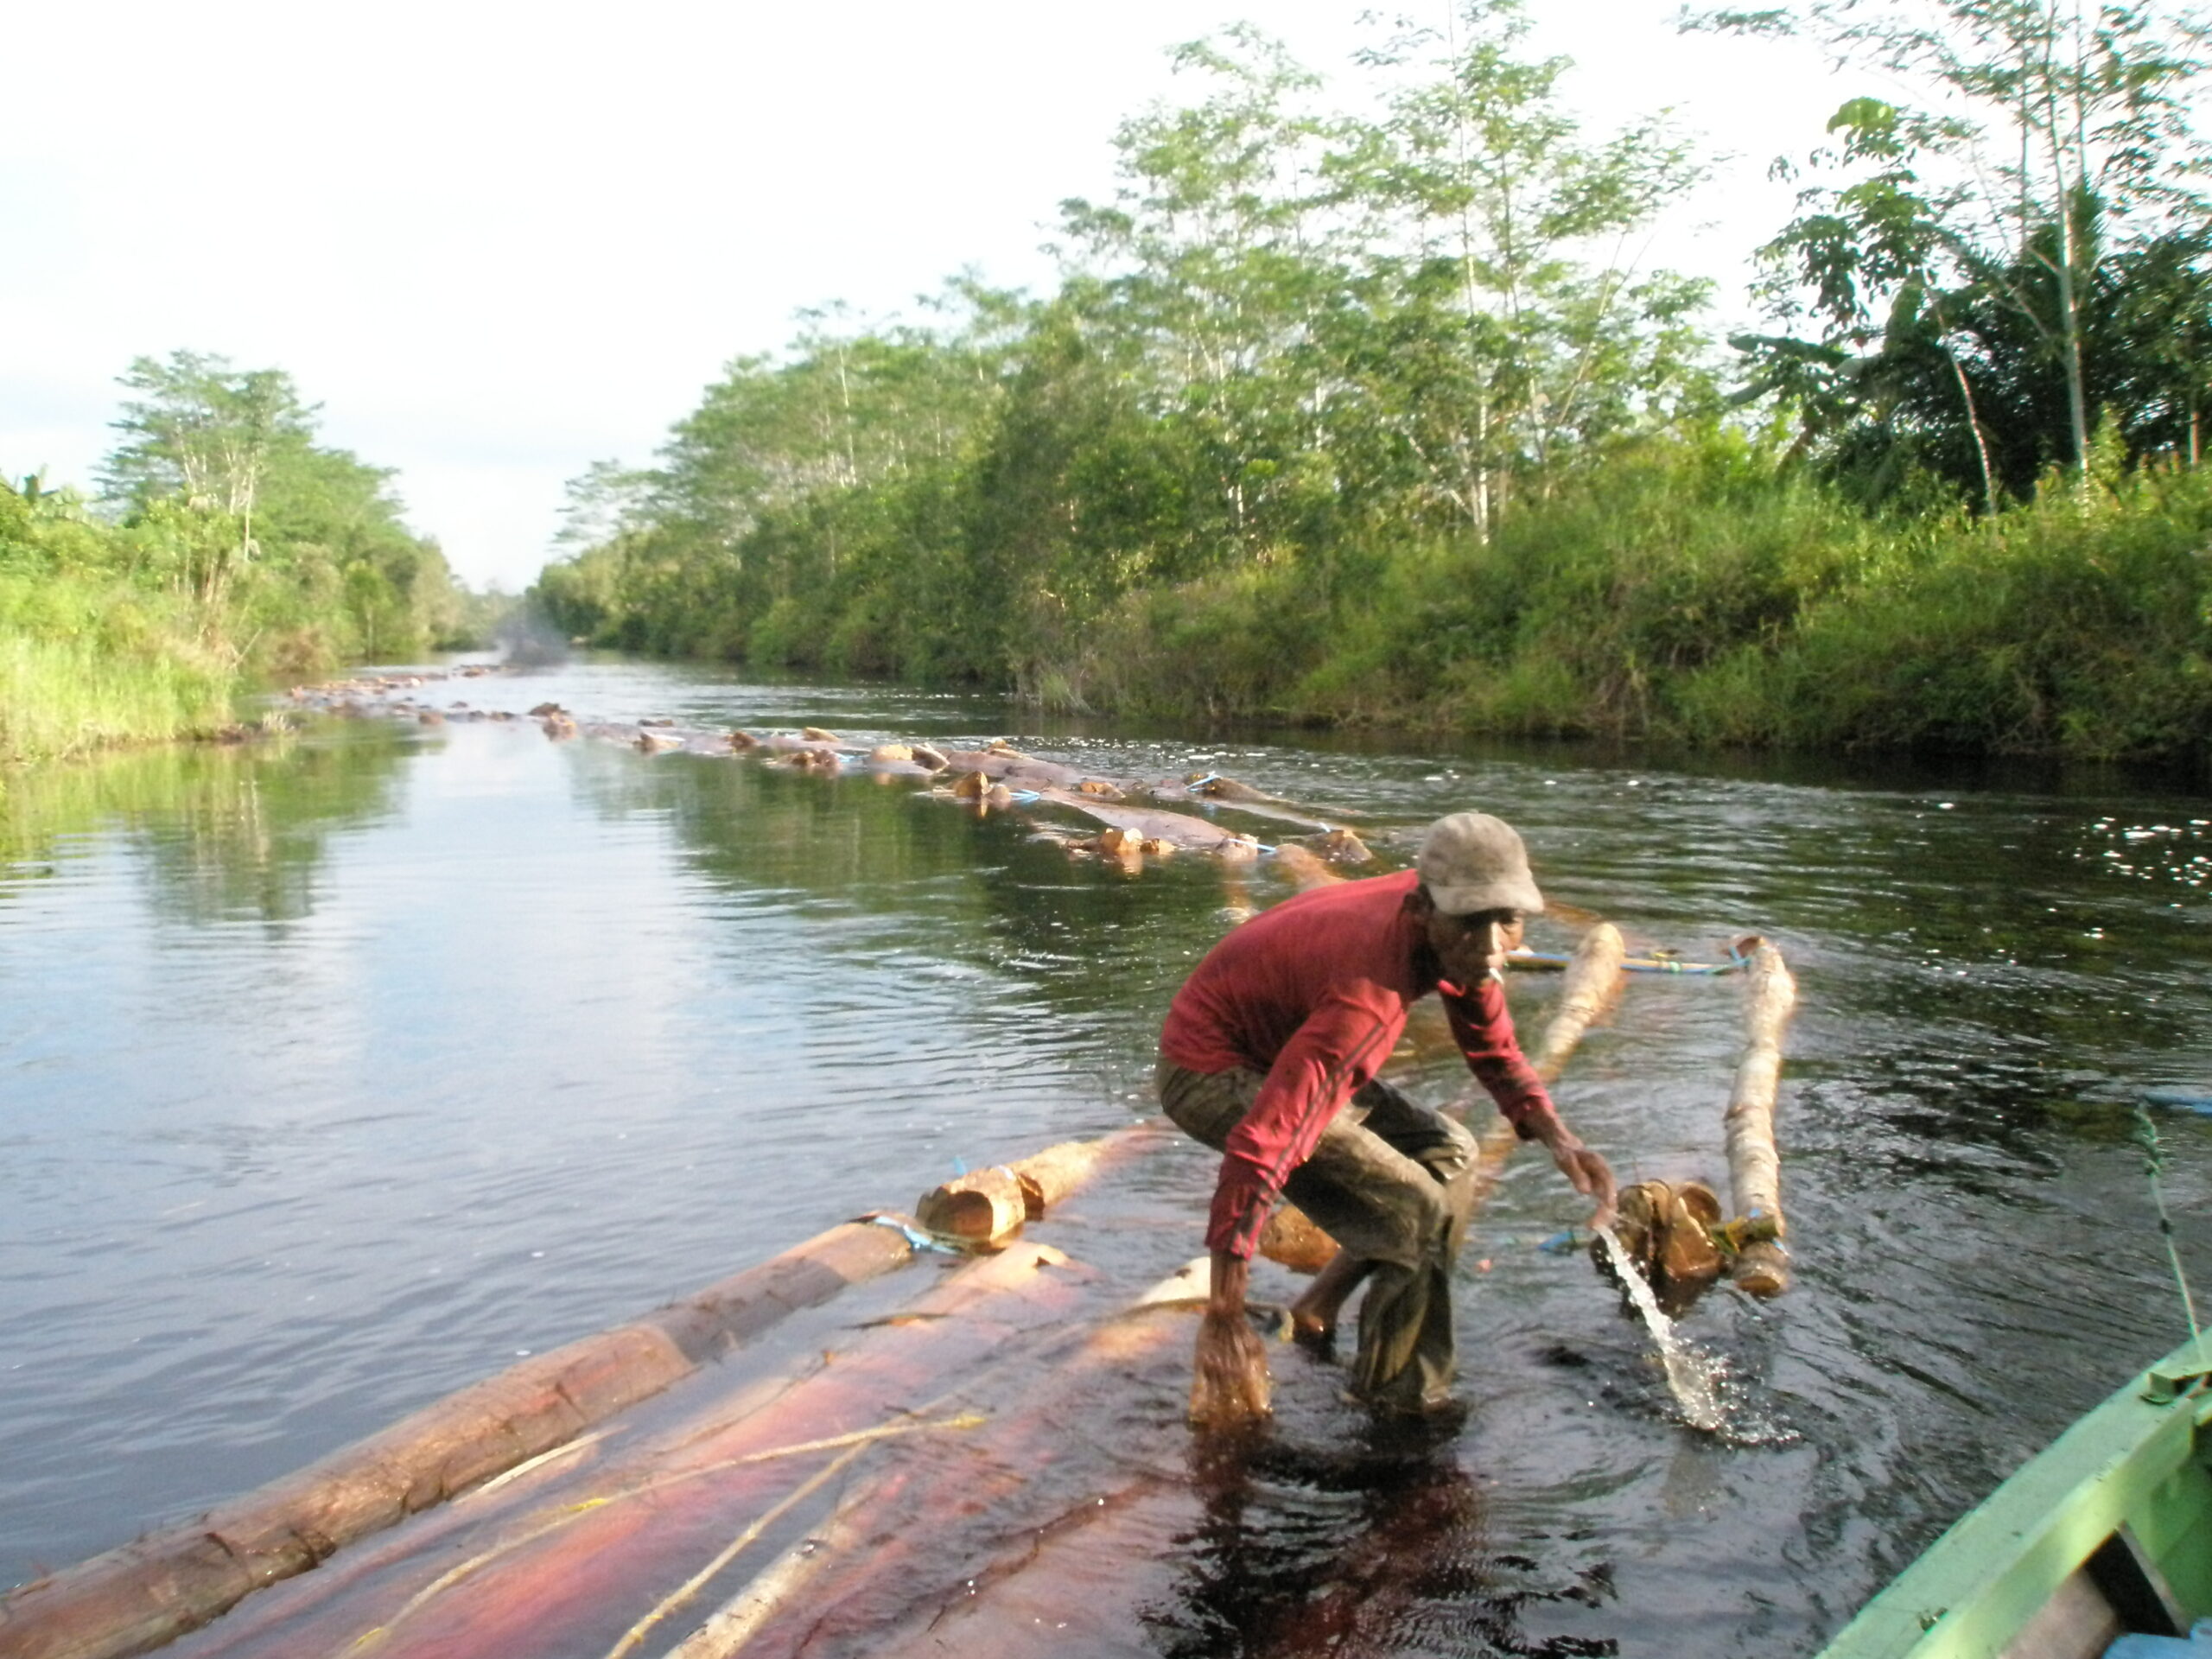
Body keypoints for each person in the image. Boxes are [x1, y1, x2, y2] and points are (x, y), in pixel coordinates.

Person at [1155, 811, 1617, 1422]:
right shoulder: (1367, 994)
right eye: (1472, 925)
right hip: (1210, 1072)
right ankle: (1397, 1402)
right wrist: (1224, 1311)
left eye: (1508, 922)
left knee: (1450, 1155)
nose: (1489, 945)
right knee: (1414, 1212)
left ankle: (1318, 1306)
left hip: (1280, 1049)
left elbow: (1493, 1048)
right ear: (1422, 909)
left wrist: (1560, 1140)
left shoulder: (1465, 939)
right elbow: (1262, 1144)